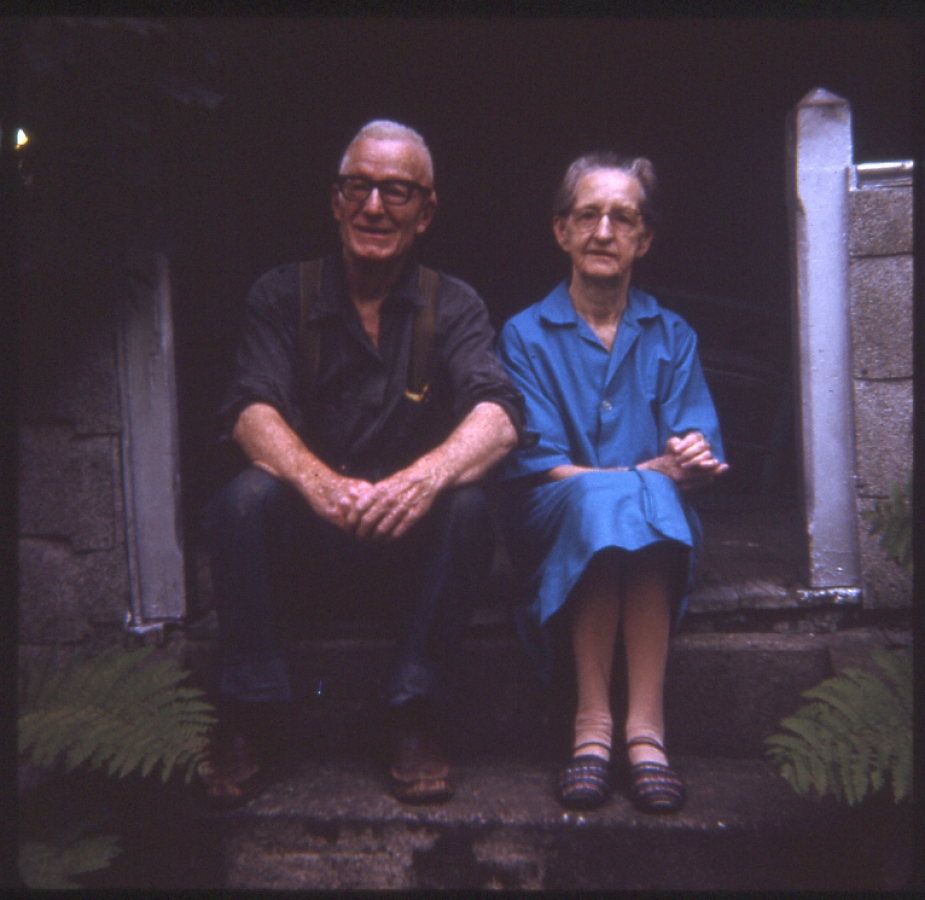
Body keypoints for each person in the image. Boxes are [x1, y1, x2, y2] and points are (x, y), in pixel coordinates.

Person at [200, 120, 526, 807]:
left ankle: (413, 711)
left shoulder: (454, 303)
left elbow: (498, 416)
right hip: (309, 547)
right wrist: (322, 487)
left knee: (468, 507)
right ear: (335, 199)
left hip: (406, 550)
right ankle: (251, 712)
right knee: (239, 501)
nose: (374, 207)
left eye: (397, 192)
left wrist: (423, 478)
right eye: (359, 187)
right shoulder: (280, 294)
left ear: (426, 213)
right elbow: (248, 410)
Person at [496, 152, 728, 814]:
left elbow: (692, 449)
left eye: (622, 218)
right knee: (610, 499)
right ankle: (591, 725)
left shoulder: (671, 333)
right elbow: (543, 466)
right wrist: (646, 473)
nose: (604, 231)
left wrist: (688, 455)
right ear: (560, 231)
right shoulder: (523, 334)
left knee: (638, 498)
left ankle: (642, 733)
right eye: (587, 215)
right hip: (553, 521)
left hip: (652, 520)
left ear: (643, 239)